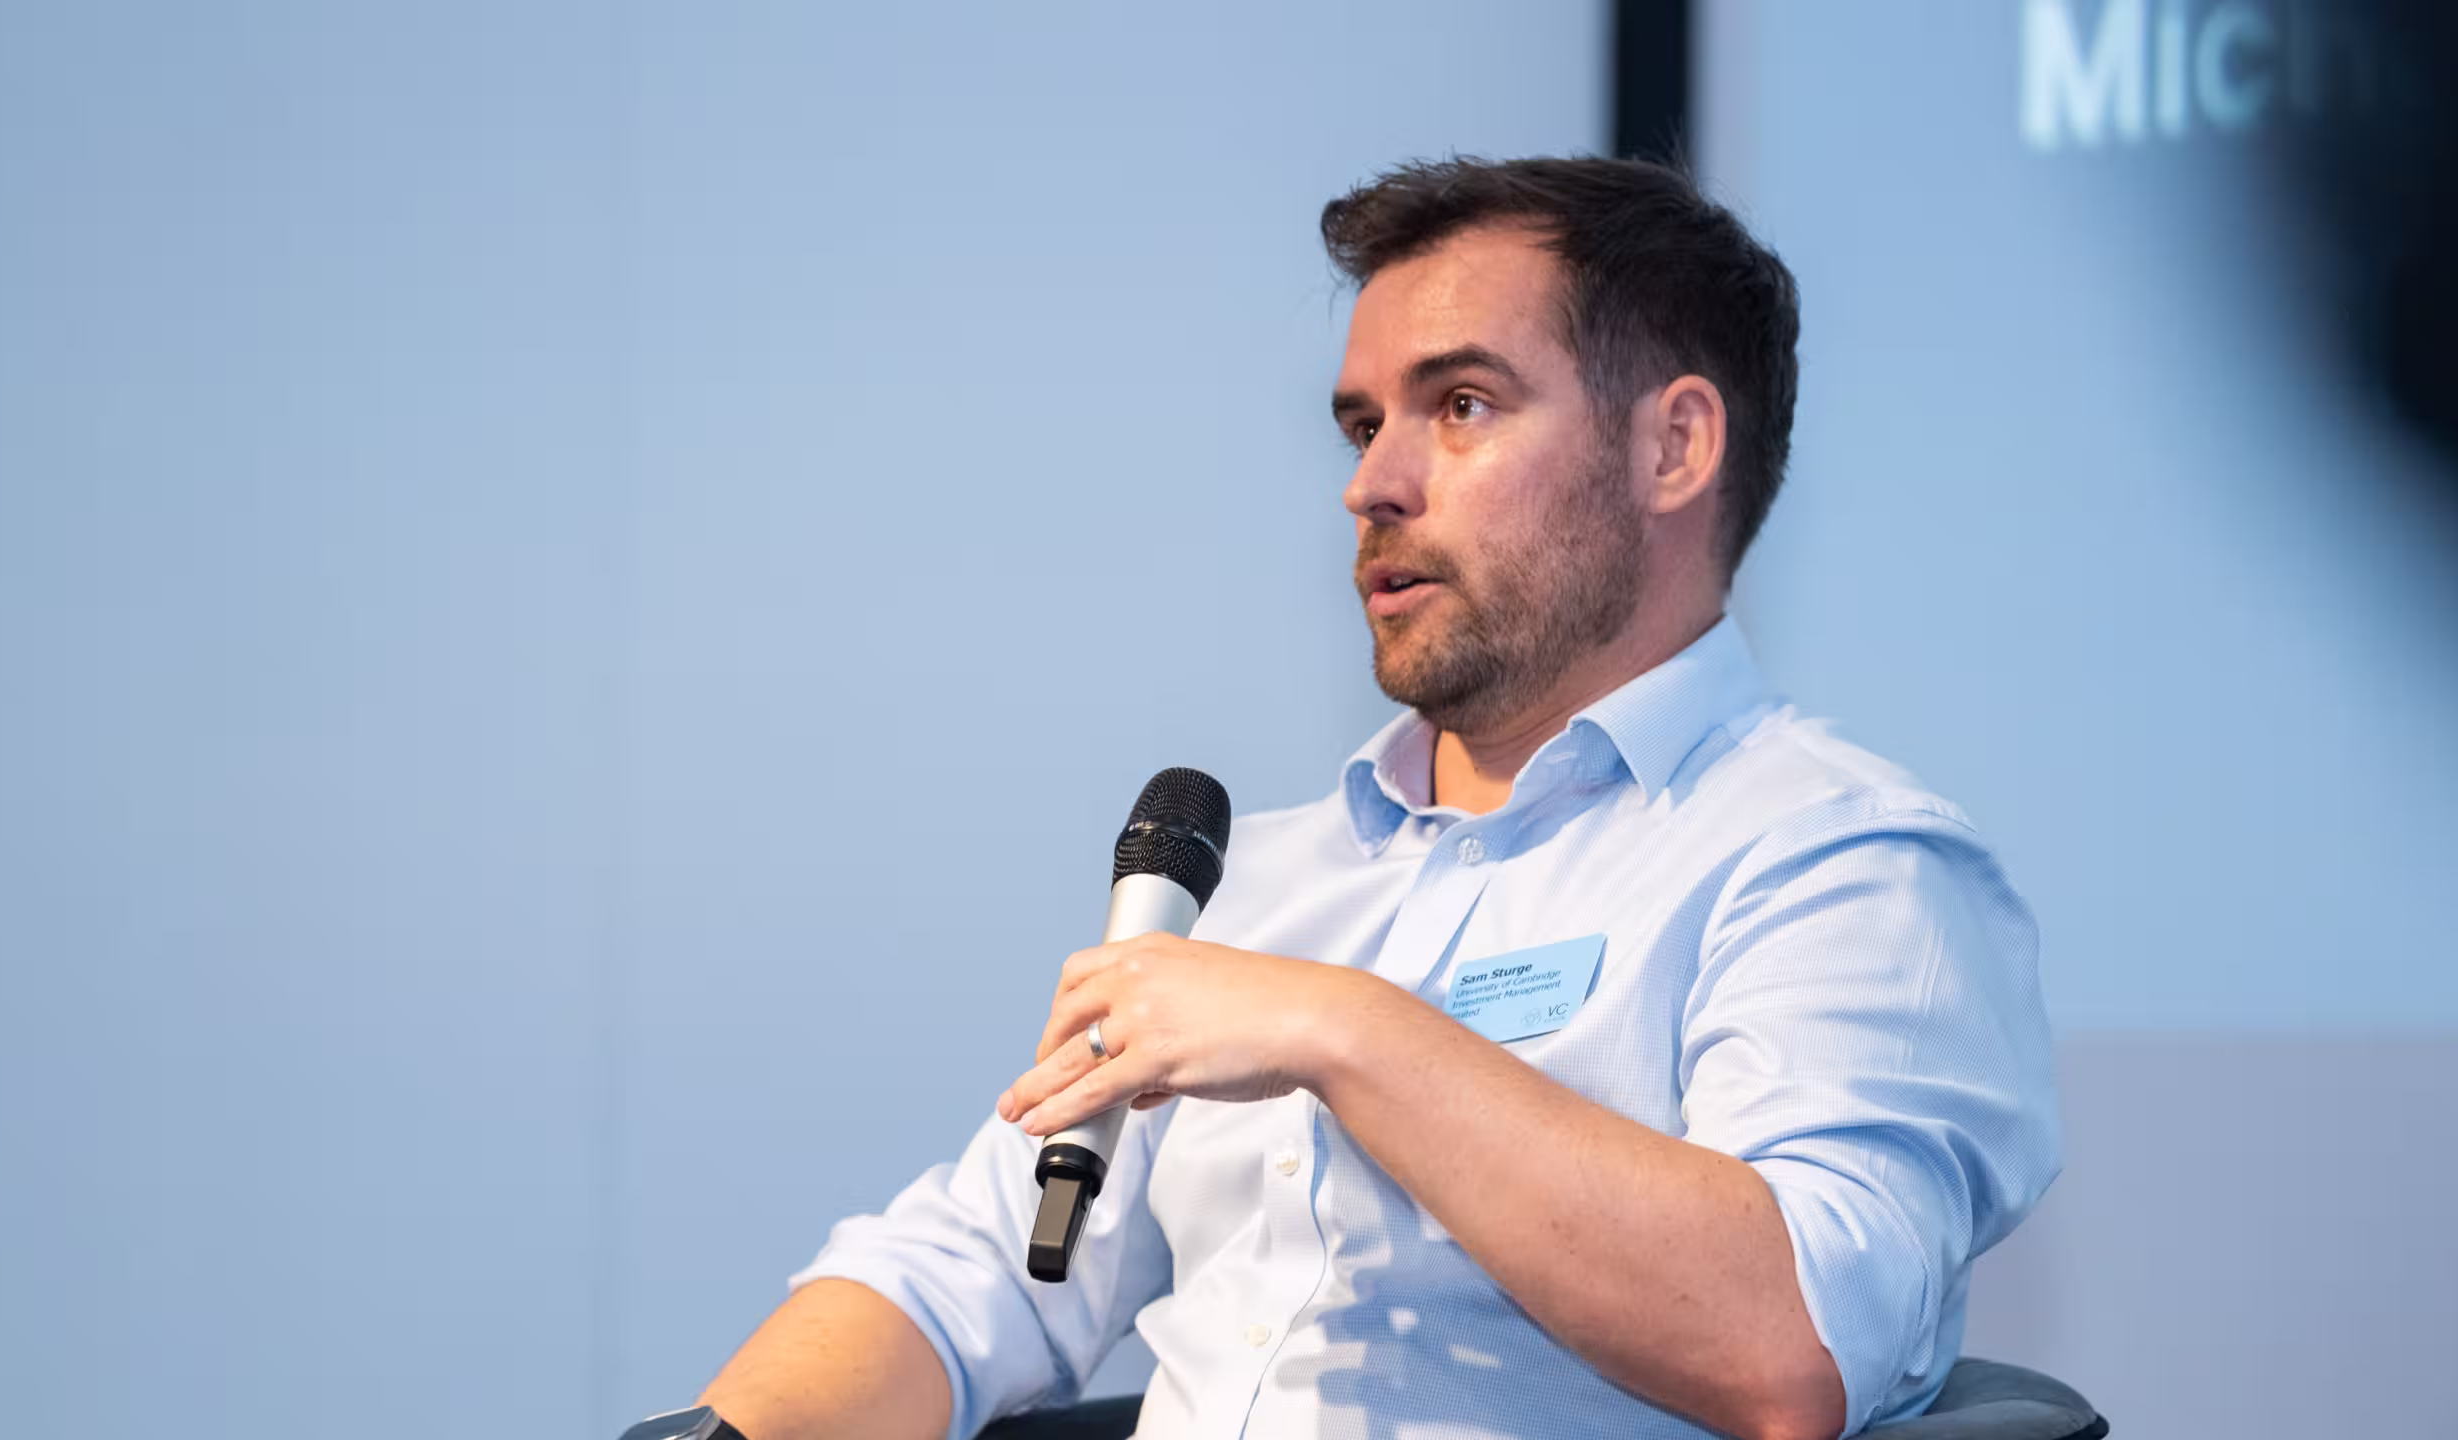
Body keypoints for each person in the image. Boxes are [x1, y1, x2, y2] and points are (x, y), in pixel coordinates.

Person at [692, 156, 2061, 1440]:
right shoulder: (1264, 886)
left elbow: (1795, 1342)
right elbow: (967, 1279)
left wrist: (1341, 1029)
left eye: (1459, 406)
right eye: (1362, 424)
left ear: (1674, 449)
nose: (1370, 485)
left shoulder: (1844, 863)